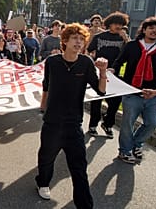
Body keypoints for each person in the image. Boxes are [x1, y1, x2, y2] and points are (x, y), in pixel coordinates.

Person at [36, 23, 108, 208]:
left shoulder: (86, 63)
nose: (79, 42)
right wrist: (43, 106)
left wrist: (102, 71)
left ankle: (85, 205)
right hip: (52, 123)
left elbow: (100, 92)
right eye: (75, 38)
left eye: (82, 39)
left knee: (79, 168)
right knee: (46, 159)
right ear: (65, 41)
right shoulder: (52, 62)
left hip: (73, 125)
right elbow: (46, 85)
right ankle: (43, 182)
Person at [112, 16, 156, 164]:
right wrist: (112, 70)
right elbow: (119, 62)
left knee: (152, 123)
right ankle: (125, 151)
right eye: (151, 28)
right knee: (127, 123)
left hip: (151, 95)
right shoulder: (132, 46)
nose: (154, 31)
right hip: (131, 92)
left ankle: (136, 144)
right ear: (144, 29)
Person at [86, 12, 130, 138]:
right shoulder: (99, 37)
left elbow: (131, 53)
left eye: (121, 24)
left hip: (115, 72)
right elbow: (89, 50)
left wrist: (126, 39)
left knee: (115, 101)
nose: (118, 26)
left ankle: (108, 123)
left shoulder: (123, 39)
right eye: (116, 23)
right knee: (97, 99)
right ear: (109, 24)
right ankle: (93, 125)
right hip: (100, 71)